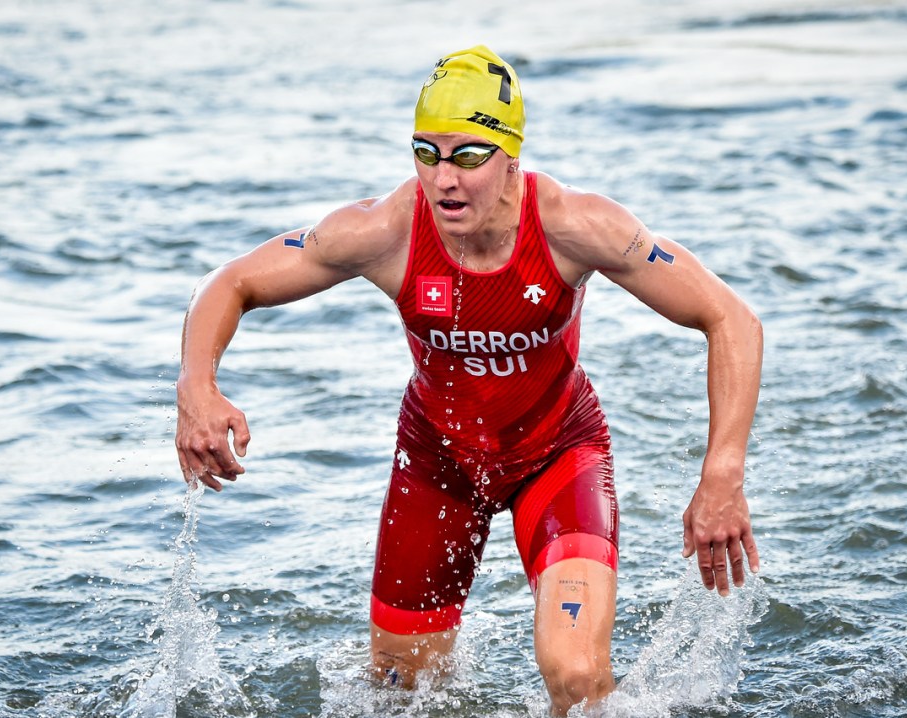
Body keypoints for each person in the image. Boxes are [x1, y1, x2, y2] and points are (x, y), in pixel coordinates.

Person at [175, 45, 762, 715]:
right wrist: (196, 388)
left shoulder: (575, 228)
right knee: (399, 695)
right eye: (426, 153)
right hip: (436, 465)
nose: (444, 180)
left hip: (557, 457)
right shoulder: (386, 231)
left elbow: (732, 318)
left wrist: (723, 473)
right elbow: (231, 282)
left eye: (467, 156)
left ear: (512, 156)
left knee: (576, 678)